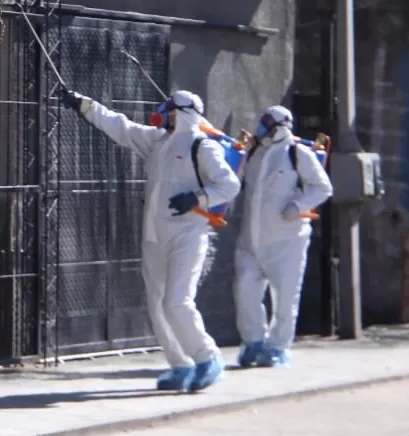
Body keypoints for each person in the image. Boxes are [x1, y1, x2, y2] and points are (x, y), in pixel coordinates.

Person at [57, 86, 239, 393]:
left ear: (182, 113)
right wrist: (84, 105)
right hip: (154, 235)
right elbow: (121, 127)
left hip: (188, 234)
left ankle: (208, 359)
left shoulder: (203, 147)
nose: (163, 114)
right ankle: (181, 365)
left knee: (176, 301)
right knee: (157, 305)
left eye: (169, 110)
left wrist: (198, 198)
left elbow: (229, 185)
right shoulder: (158, 141)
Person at [233, 105, 333, 369]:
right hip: (251, 238)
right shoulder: (254, 151)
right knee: (245, 290)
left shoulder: (297, 154)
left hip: (287, 240)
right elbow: (235, 178)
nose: (261, 128)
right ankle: (253, 341)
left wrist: (298, 207)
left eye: (267, 123)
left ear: (280, 127)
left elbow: (322, 187)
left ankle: (278, 347)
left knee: (285, 297)